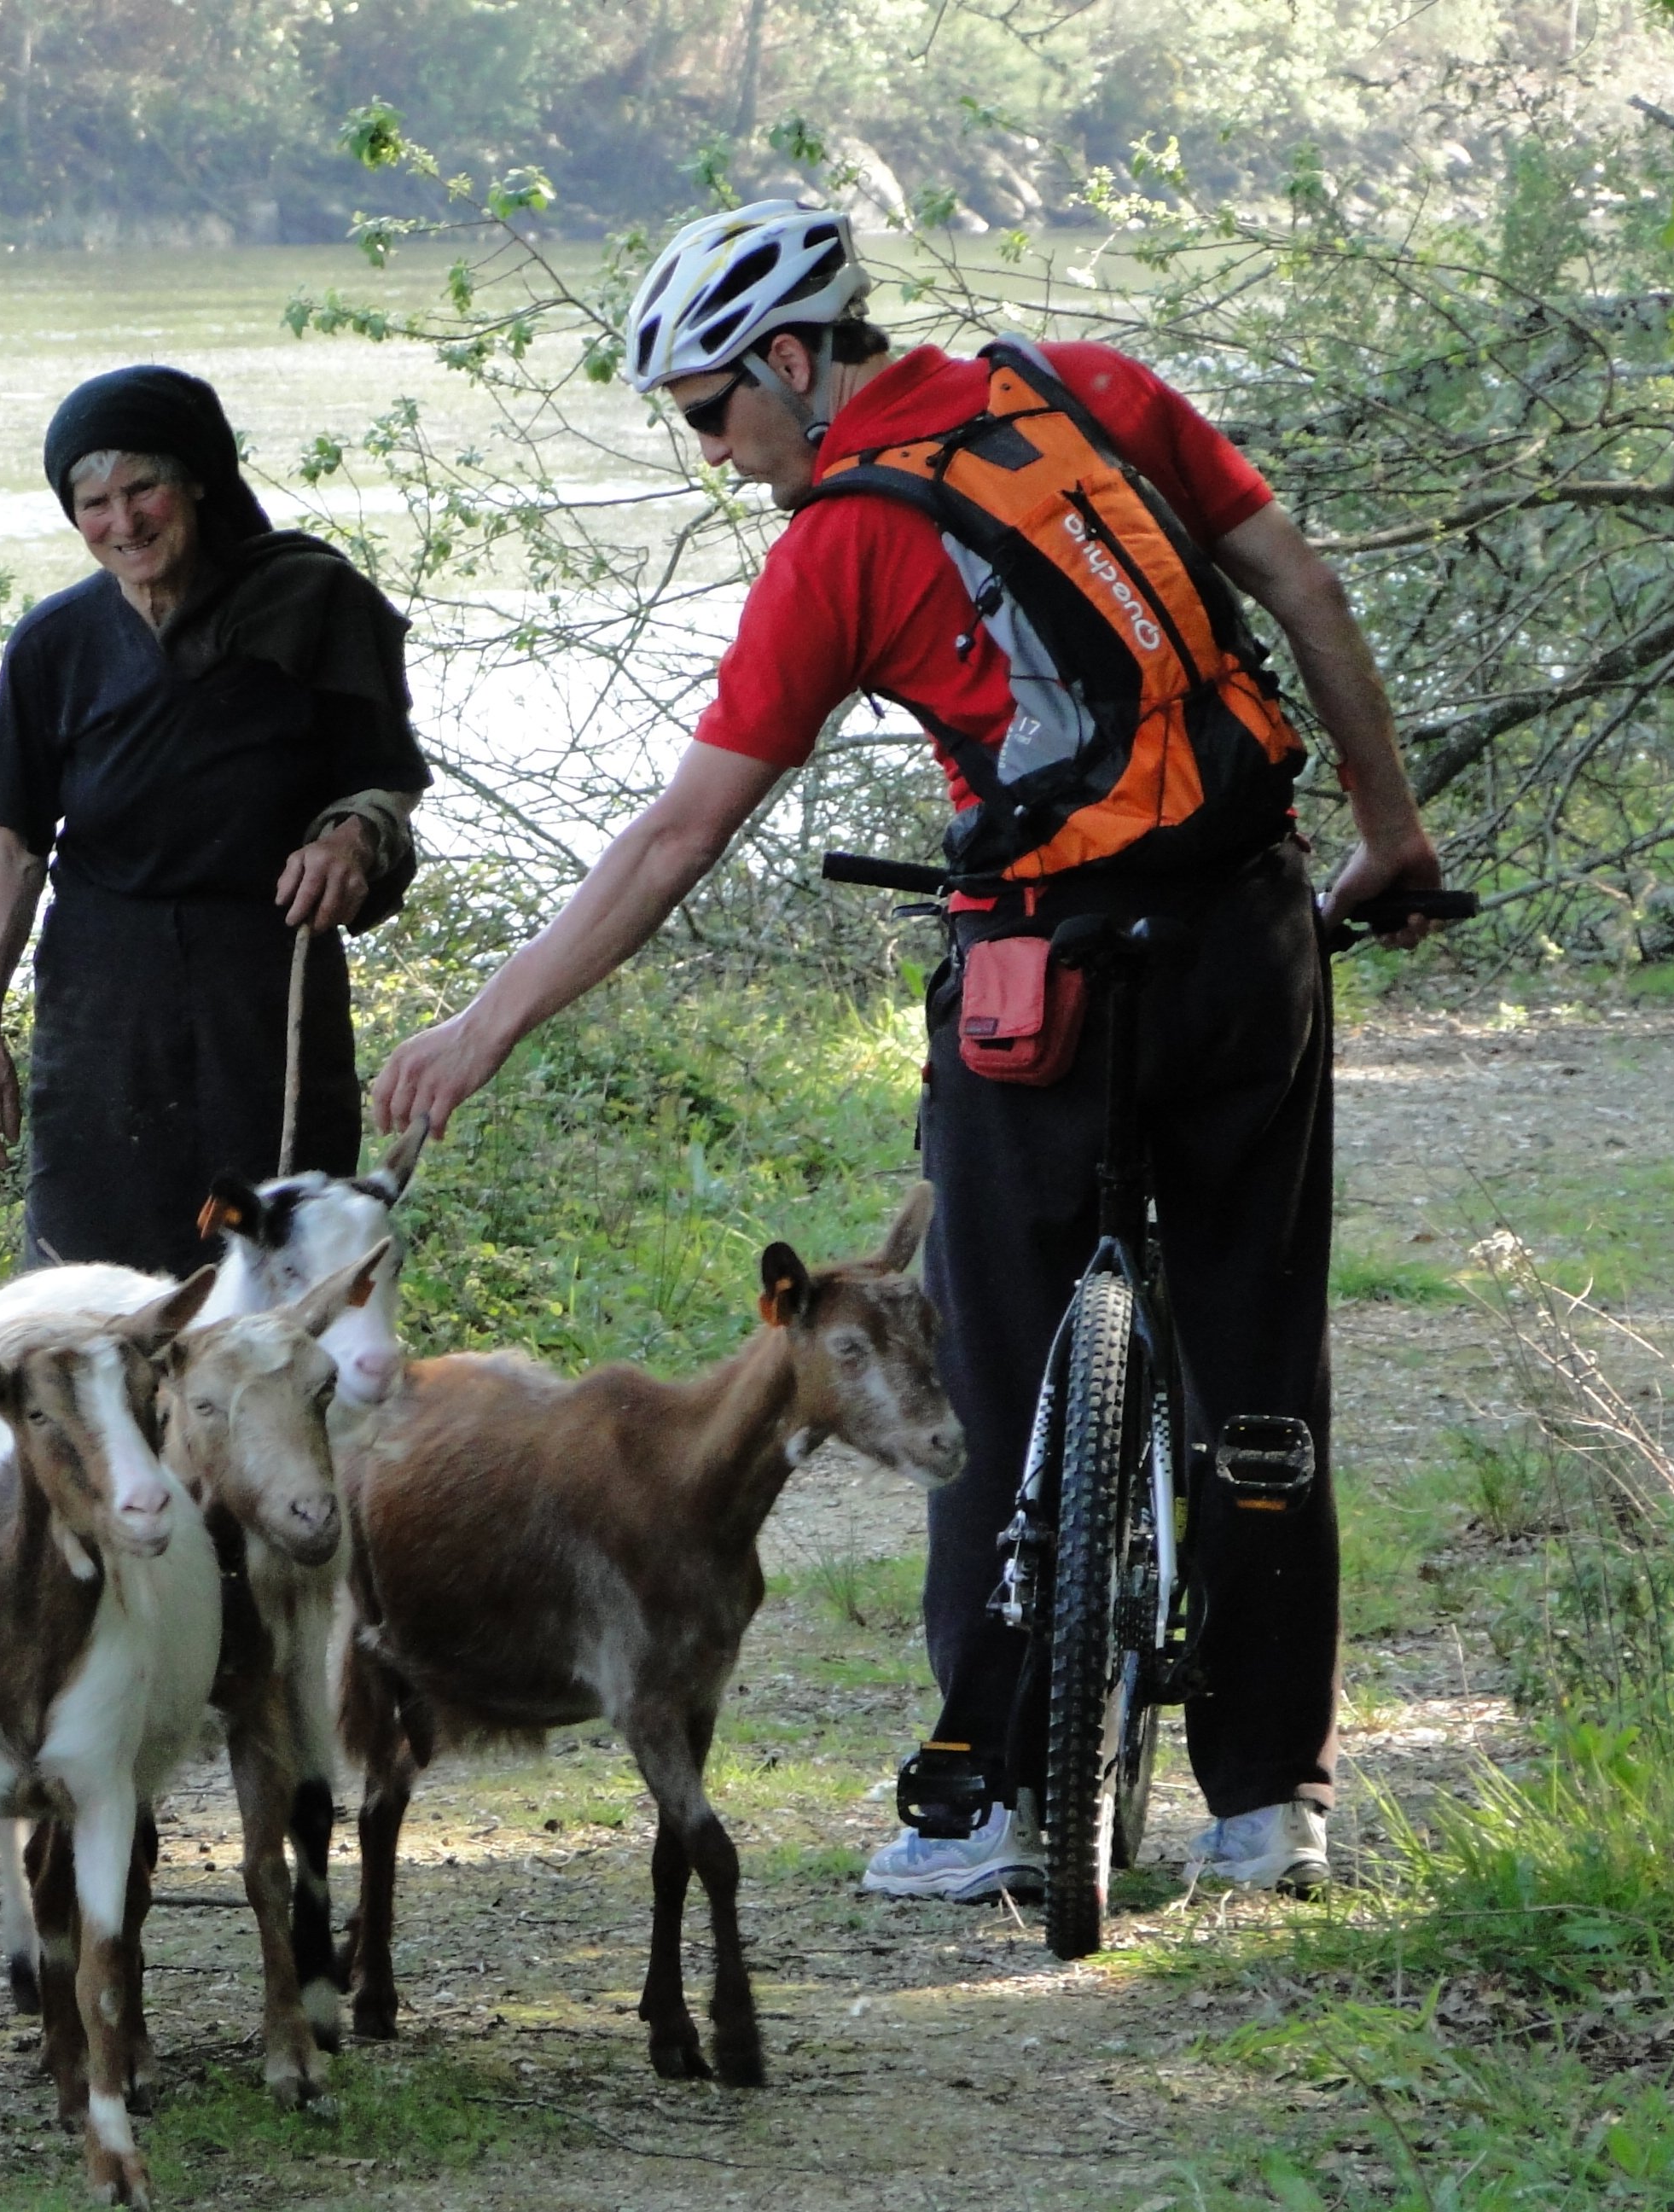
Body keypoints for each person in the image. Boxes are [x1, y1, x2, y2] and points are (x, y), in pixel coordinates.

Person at [372, 201, 1443, 1902]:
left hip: (1044, 987)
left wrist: (482, 1025)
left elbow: (672, 844)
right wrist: (1385, 839)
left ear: (793, 362)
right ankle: (1267, 1810)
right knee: (1258, 1366)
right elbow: (1301, 591)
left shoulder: (840, 546)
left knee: (996, 1379)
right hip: (1247, 935)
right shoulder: (1085, 388)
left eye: (713, 413)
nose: (717, 456)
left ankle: (995, 1801)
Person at [0, 364, 432, 1275]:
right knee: (90, 1286)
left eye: (144, 490)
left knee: (281, 1276)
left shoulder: (313, 602)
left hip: (265, 986)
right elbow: (12, 846)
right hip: (103, 1003)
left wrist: (347, 838)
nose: (123, 523)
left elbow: (385, 780)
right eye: (94, 502)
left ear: (199, 481)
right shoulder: (54, 647)